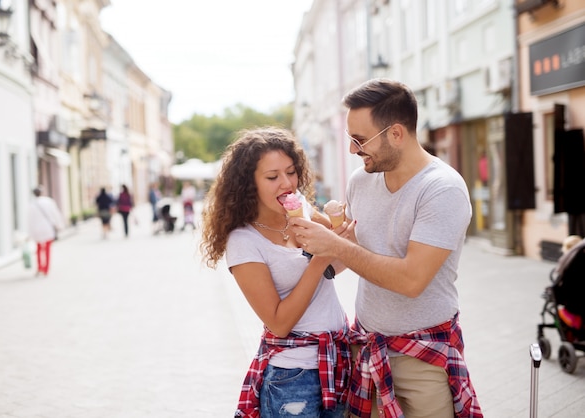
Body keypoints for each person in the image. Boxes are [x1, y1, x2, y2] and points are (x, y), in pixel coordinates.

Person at [289, 79, 483, 418]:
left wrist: (337, 246)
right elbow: (350, 256)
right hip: (366, 346)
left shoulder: (441, 190)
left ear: (396, 133)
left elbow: (411, 281)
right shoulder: (360, 181)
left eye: (359, 140)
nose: (352, 150)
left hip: (423, 357)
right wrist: (311, 237)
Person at [199, 127, 352, 418]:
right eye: (272, 177)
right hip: (293, 377)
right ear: (249, 184)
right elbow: (279, 323)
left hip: (339, 363)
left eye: (291, 172)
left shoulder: (302, 210)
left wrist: (342, 233)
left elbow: (337, 264)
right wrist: (319, 259)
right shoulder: (243, 242)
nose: (287, 184)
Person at [27, 186, 64, 277]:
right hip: (47, 229)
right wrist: (59, 226)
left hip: (37, 230)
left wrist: (30, 233)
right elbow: (55, 214)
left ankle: (40, 268)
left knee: (39, 249)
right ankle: (46, 269)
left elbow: (30, 220)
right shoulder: (48, 202)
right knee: (47, 249)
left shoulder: (32, 204)